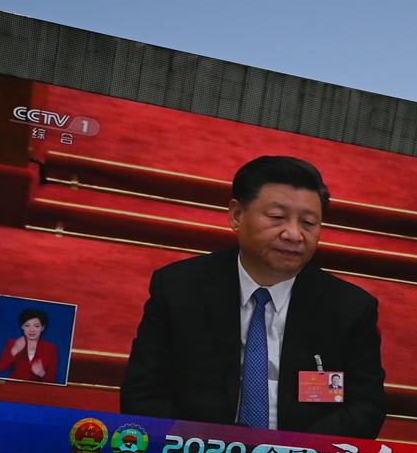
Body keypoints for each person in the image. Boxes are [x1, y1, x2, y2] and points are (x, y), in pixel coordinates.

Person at [120, 156, 385, 438]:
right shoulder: (179, 289)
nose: (294, 234)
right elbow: (143, 394)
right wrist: (206, 449)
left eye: (308, 223)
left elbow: (365, 408)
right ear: (237, 215)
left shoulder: (350, 308)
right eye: (277, 218)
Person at [0, 308, 59, 382]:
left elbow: (53, 380)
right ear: (22, 326)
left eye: (36, 326)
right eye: (27, 325)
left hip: (35, 389)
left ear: (42, 328)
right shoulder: (12, 343)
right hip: (14, 386)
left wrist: (41, 373)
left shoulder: (51, 348)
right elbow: (0, 368)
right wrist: (14, 351)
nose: (31, 329)